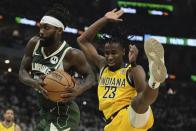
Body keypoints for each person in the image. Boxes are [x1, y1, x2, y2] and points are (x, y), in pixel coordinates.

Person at [77, 9, 167, 131]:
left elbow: (143, 93)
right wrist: (105, 19)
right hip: (114, 125)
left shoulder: (131, 70)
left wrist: (134, 63)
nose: (109, 57)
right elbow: (82, 40)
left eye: (114, 53)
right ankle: (154, 81)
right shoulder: (102, 65)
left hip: (131, 115)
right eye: (106, 53)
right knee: (139, 102)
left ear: (123, 52)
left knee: (139, 101)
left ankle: (155, 80)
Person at [19, 4, 95, 131]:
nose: (41, 31)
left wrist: (79, 90)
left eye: (46, 28)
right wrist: (33, 82)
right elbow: (22, 71)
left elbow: (91, 75)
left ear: (59, 30)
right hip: (45, 114)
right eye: (41, 27)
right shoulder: (34, 43)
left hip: (65, 115)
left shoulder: (72, 54)